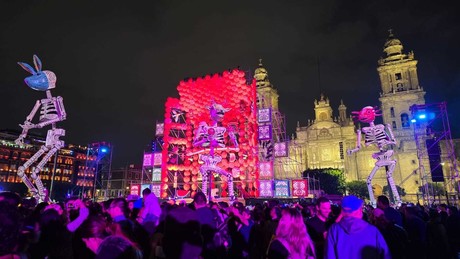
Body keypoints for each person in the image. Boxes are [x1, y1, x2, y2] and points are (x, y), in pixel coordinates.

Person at [325, 195, 391, 259]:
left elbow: (329, 255)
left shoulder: (334, 230)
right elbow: (385, 254)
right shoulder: (372, 230)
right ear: (358, 210)